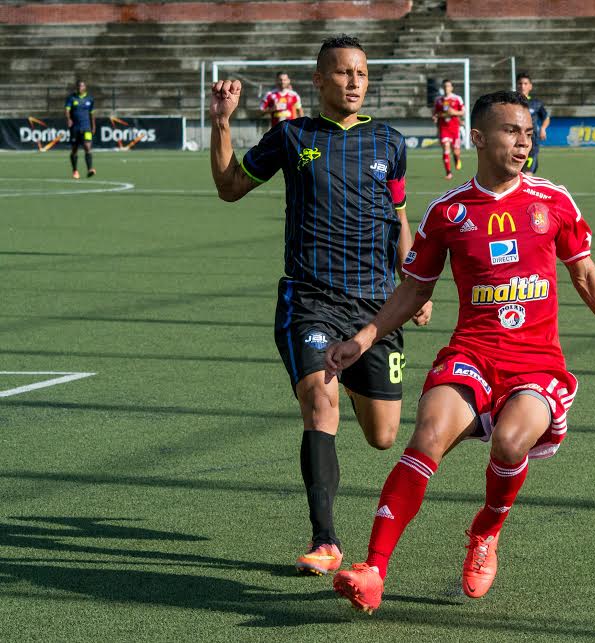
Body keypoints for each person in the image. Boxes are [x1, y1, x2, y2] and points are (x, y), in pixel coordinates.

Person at [326, 90, 595, 614]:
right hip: (471, 354)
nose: (523, 142)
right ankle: (373, 569)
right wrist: (364, 337)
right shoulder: (448, 212)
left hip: (536, 365)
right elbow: (414, 290)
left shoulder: (554, 202)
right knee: (427, 436)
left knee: (509, 444)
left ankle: (485, 531)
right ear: (477, 137)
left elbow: (584, 274)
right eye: (510, 131)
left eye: (527, 132)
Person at [209, 34, 432, 578]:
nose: (354, 81)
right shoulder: (291, 135)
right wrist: (221, 122)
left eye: (360, 73)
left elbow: (399, 215)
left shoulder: (389, 141)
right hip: (309, 299)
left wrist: (414, 282)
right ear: (317, 80)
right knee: (319, 405)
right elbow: (230, 186)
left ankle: (355, 381)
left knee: (382, 436)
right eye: (342, 72)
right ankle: (325, 539)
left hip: (377, 306)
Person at [515, 72, 550, 175]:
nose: (522, 86)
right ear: (516, 85)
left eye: (525, 83)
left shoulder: (536, 103)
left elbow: (546, 117)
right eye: (520, 83)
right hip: (515, 144)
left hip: (531, 145)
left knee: (527, 175)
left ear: (530, 86)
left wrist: (543, 128)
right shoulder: (511, 103)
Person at [432, 79, 465, 180]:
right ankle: (449, 173)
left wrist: (453, 112)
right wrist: (435, 117)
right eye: (445, 86)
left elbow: (463, 112)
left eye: (448, 86)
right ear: (443, 88)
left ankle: (457, 158)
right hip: (443, 128)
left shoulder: (457, 98)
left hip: (455, 129)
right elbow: (435, 113)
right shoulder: (438, 100)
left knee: (455, 152)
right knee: (446, 148)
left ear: (451, 87)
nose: (446, 88)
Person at [65, 80, 95, 178]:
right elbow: (67, 110)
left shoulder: (90, 99)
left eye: (81, 86)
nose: (80, 88)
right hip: (75, 128)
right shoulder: (71, 98)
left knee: (87, 147)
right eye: (78, 86)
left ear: (85, 87)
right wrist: (69, 119)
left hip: (86, 127)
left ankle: (90, 169)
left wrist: (93, 126)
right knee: (74, 150)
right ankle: (75, 170)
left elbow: (92, 113)